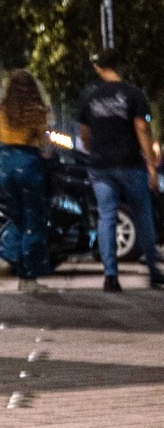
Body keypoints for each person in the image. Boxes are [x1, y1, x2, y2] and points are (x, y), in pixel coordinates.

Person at [75, 49, 163, 292]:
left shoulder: (90, 97)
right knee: (142, 215)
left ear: (98, 68)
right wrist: (151, 165)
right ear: (120, 66)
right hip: (130, 164)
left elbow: (83, 133)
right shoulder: (133, 94)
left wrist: (93, 149)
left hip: (101, 167)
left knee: (107, 217)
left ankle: (110, 276)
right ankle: (154, 272)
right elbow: (141, 128)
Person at [0, 70, 53, 292]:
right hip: (29, 166)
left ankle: (17, 270)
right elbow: (45, 147)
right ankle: (16, 265)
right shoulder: (37, 112)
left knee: (16, 218)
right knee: (34, 221)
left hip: (6, 167)